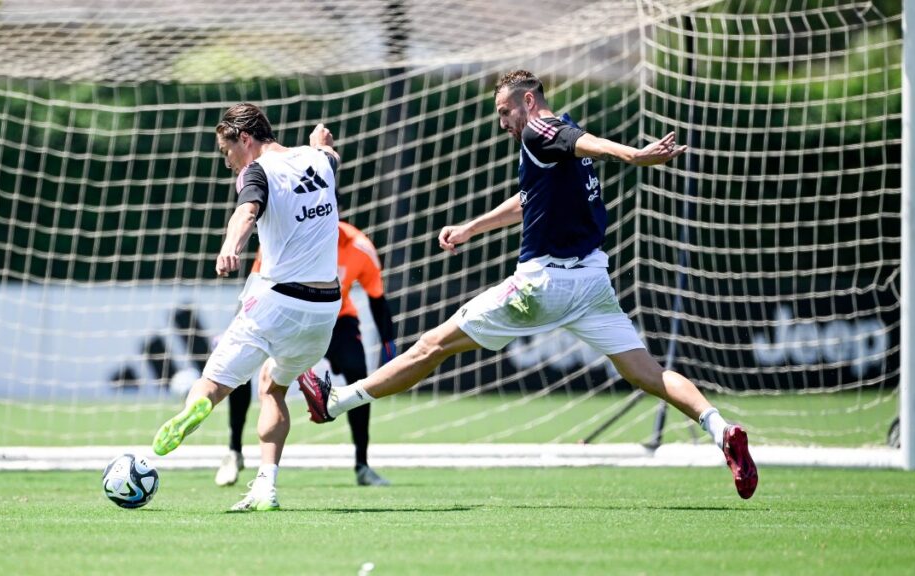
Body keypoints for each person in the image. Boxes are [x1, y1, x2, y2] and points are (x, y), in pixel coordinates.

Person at [298, 70, 758, 499]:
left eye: (504, 111)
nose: (502, 122)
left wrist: (633, 155)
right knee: (647, 374)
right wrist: (470, 228)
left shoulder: (542, 130)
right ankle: (721, 430)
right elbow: (529, 199)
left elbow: (588, 143)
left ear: (528, 101)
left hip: (541, 285)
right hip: (593, 283)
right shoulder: (552, 143)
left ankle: (336, 402)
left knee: (432, 346)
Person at [152, 103, 344, 512]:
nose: (229, 163)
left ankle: (197, 405)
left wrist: (229, 246)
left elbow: (247, 211)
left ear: (245, 138)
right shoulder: (318, 162)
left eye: (227, 152)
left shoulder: (255, 172)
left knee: (215, 382)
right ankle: (264, 488)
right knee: (273, 387)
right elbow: (329, 155)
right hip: (325, 310)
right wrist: (321, 144)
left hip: (277, 303)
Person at [215, 222, 397, 487]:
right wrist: (239, 326)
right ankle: (234, 451)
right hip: (282, 314)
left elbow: (377, 299)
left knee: (358, 371)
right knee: (239, 367)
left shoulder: (360, 246)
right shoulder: (282, 237)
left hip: (335, 319)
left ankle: (362, 465)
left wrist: (389, 350)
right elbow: (255, 284)